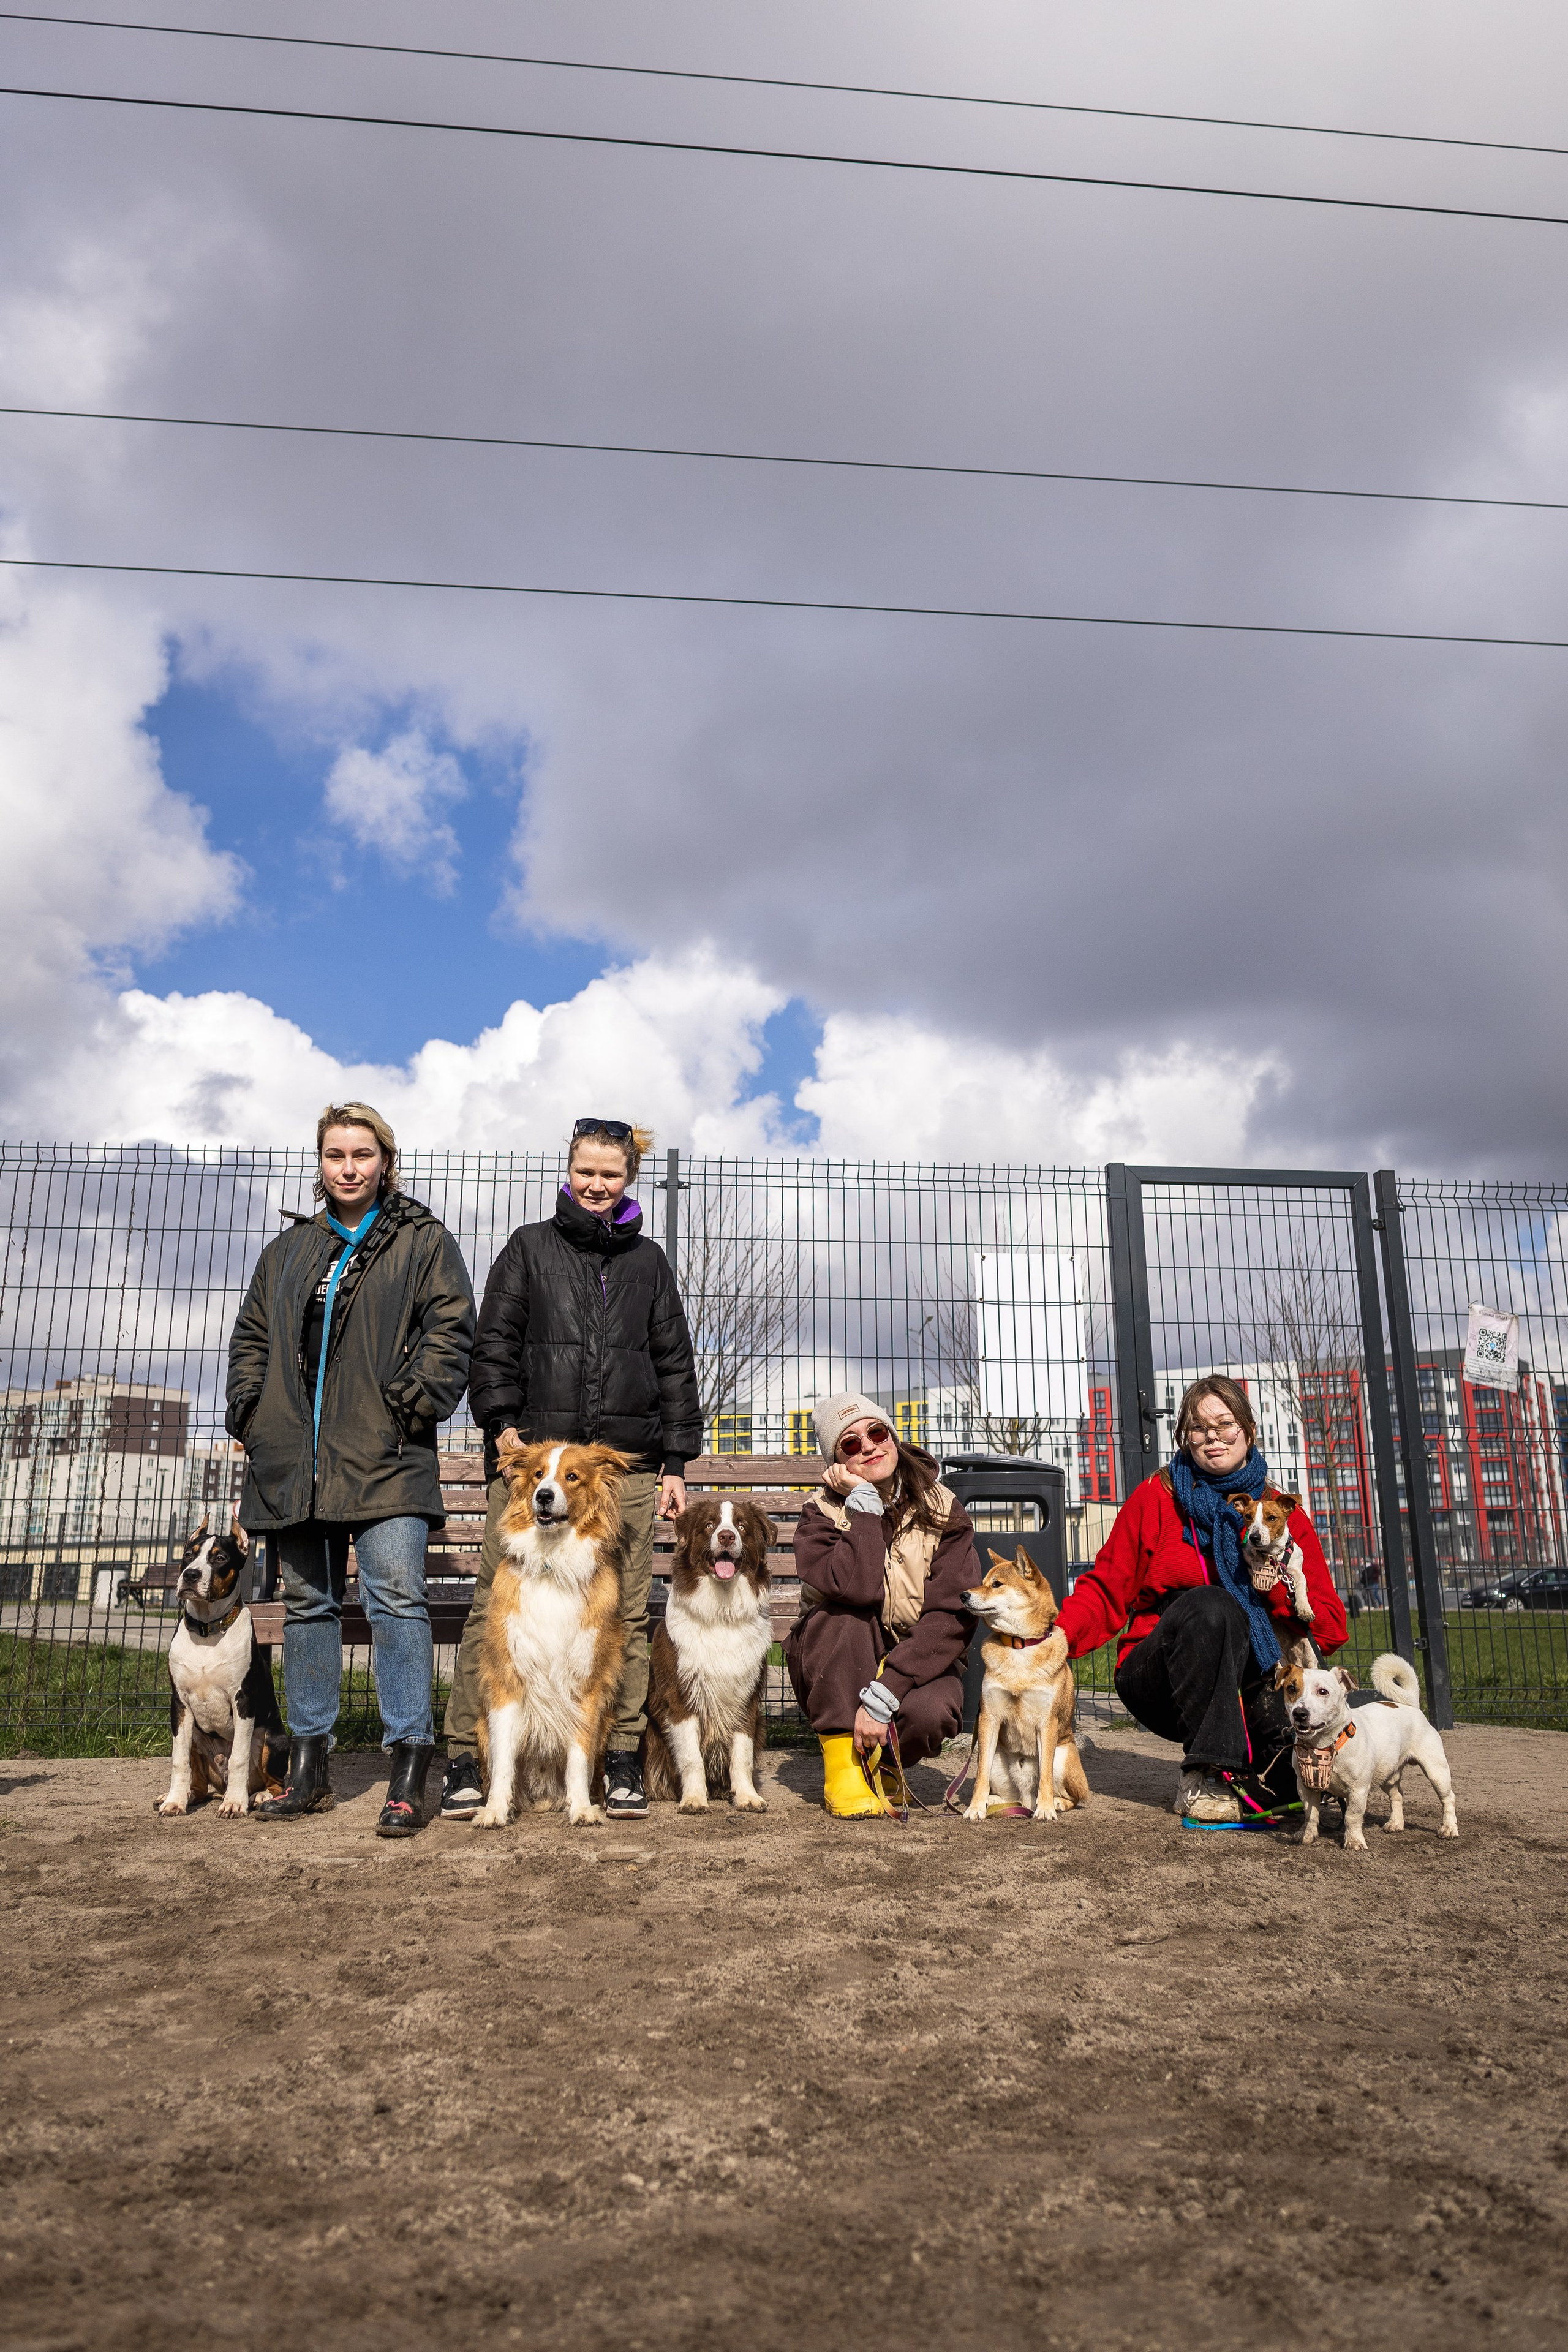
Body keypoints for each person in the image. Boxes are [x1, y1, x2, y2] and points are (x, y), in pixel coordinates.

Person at [440, 1118, 701, 1822]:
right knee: (488, 1615)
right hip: (533, 1469)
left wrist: (675, 1460)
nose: (596, 1184)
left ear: (628, 1180)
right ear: (569, 1171)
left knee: (627, 1618)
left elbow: (674, 1363)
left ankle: (615, 1756)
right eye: (585, 1171)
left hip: (626, 1473)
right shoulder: (528, 1247)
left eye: (610, 1174)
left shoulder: (648, 1262)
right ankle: (468, 1758)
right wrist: (500, 1424)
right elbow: (492, 1343)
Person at [225, 1102, 476, 1833]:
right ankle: (309, 1769)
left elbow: (451, 1326)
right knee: (309, 1607)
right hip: (293, 1463)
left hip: (387, 1456)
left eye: (362, 1154)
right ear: (321, 1163)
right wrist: (250, 1409)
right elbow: (251, 1336)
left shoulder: (422, 1240)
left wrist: (413, 1402)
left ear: (384, 1161)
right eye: (336, 1155)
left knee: (397, 1598)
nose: (349, 1168)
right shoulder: (290, 1250)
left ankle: (409, 1768)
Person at [1053, 1375, 1348, 1823]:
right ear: (1184, 1438)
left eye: (1225, 1425)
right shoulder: (1158, 1496)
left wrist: (1278, 1594)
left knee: (1289, 1790)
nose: (1212, 1437)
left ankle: (1264, 1766)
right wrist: (1054, 1637)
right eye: (1198, 1427)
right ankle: (1207, 1772)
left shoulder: (1280, 1513)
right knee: (1212, 1604)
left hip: (1256, 1676)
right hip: (1160, 1677)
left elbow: (1331, 1626)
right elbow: (1106, 1586)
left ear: (1248, 1431)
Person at [786, 1392, 978, 1819]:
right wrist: (865, 1508)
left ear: (892, 1434)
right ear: (838, 1463)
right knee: (845, 1614)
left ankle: (885, 1765)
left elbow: (951, 1614)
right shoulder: (818, 1514)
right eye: (850, 1444)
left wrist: (886, 1692)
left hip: (913, 1656)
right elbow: (855, 1589)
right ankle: (846, 1770)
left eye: (876, 1432)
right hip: (836, 1657)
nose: (869, 1446)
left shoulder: (945, 1508)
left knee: (933, 1711)